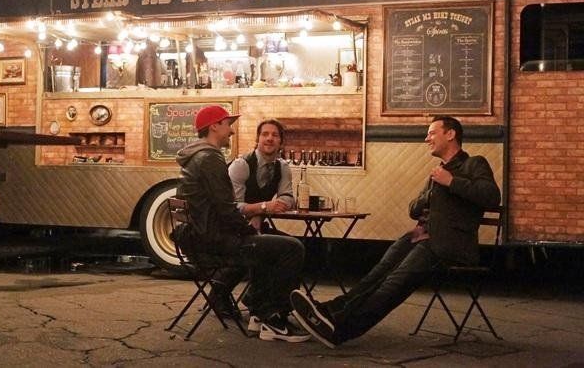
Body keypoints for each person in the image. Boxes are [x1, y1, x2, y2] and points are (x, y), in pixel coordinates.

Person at [290, 116, 501, 348]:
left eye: (432, 133)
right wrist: (429, 193)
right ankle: (328, 311)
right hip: (418, 236)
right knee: (376, 276)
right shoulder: (437, 172)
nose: (426, 138)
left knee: (393, 284)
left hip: (448, 244)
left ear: (450, 134)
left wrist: (451, 182)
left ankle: (340, 329)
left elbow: (491, 197)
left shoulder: (474, 164)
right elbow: (413, 209)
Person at [174, 105, 309, 343]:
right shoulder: (210, 158)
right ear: (214, 126)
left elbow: (223, 208)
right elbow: (227, 210)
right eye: (228, 125)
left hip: (201, 236)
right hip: (214, 241)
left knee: (272, 244)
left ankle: (260, 313)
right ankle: (273, 318)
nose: (231, 132)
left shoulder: (198, 157)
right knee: (292, 248)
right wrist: (250, 231)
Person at [209, 119, 294, 330]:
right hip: (229, 228)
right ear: (257, 139)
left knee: (291, 244)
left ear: (281, 142)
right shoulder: (241, 165)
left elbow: (288, 196)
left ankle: (261, 302)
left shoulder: (283, 167)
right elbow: (233, 207)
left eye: (275, 135)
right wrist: (262, 209)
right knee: (281, 249)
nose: (269, 138)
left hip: (251, 226)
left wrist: (279, 204)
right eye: (265, 134)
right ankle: (262, 309)